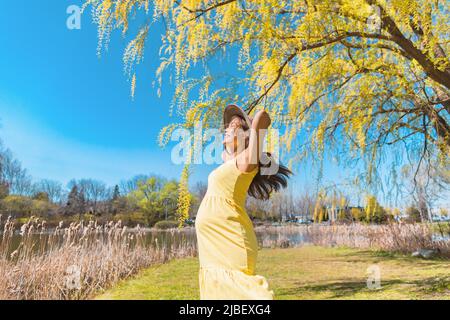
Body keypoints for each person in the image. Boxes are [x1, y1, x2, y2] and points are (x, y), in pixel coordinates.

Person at [195, 104, 293, 299]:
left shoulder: (246, 163)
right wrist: (235, 136)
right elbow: (227, 153)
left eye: (232, 126)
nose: (227, 129)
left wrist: (254, 126)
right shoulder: (232, 162)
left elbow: (262, 118)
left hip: (230, 243)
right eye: (228, 126)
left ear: (246, 137)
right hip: (215, 248)